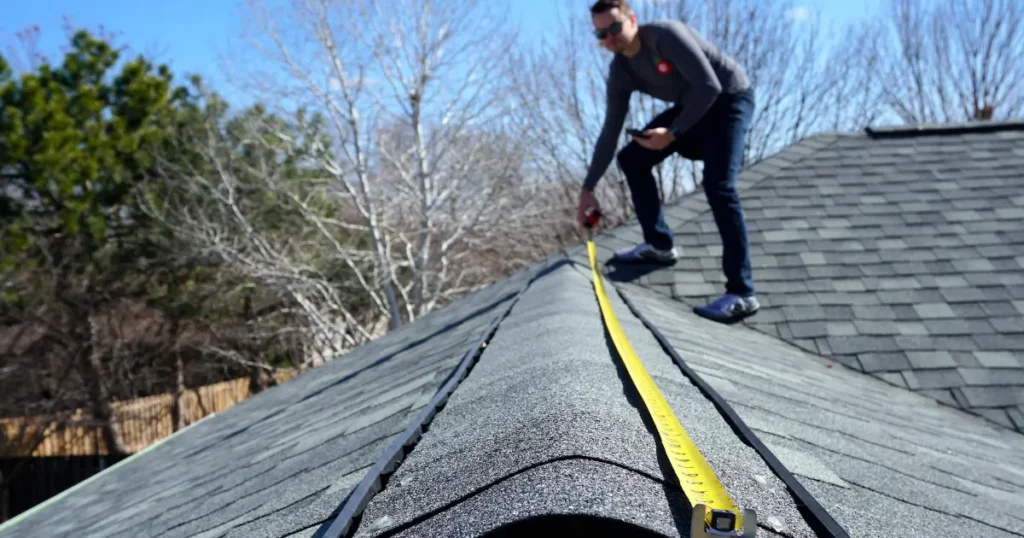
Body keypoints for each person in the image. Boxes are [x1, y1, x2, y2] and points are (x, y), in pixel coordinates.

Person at [577, 0, 759, 324]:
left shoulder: (665, 36)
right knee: (631, 158)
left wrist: (673, 133)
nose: (610, 38)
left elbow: (709, 86)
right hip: (692, 109)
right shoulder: (621, 70)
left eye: (615, 27)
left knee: (719, 186)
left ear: (632, 20)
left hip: (729, 100)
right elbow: (610, 131)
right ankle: (659, 245)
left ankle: (742, 293)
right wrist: (587, 188)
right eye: (601, 34)